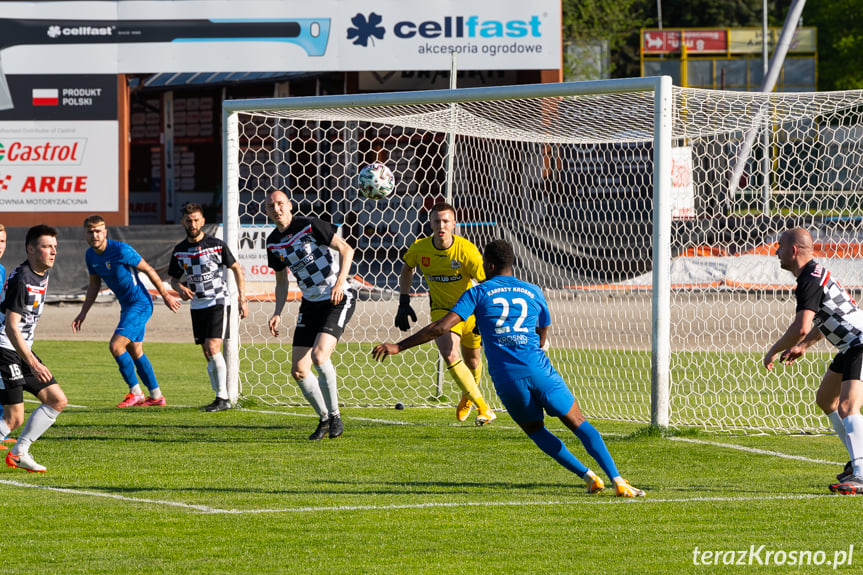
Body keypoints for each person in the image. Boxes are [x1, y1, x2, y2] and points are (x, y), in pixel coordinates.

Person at [374, 239, 645, 497]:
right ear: (511, 264)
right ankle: (618, 481)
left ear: (488, 266)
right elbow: (544, 326)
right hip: (540, 370)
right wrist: (536, 347)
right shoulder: (533, 290)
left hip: (508, 379)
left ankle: (588, 476)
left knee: (536, 430)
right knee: (578, 422)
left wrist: (399, 345)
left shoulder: (478, 292)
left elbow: (441, 327)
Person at [764, 227, 863, 495]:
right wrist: (803, 347)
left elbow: (802, 326)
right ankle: (858, 465)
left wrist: (773, 350)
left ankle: (861, 474)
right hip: (851, 344)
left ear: (793, 250)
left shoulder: (809, 280)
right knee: (825, 399)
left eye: (780, 247)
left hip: (860, 342)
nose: (776, 252)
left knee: (847, 406)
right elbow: (825, 319)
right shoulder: (814, 274)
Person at [265, 190, 355, 440]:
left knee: (318, 356)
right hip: (310, 303)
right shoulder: (272, 242)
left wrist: (339, 284)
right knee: (299, 370)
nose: (277, 209)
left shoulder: (310, 225)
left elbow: (346, 250)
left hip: (338, 297)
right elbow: (281, 280)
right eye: (271, 206)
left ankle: (336, 416)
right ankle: (325, 418)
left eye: (281, 203)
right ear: (267, 211)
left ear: (290, 205)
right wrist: (277, 311)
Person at [395, 202, 495, 425]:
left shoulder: (467, 251)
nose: (441, 225)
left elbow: (486, 284)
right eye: (437, 221)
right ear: (430, 223)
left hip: (469, 312)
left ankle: (468, 398)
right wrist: (403, 300)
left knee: (473, 361)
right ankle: (483, 407)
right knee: (450, 354)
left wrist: (484, 315)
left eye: (445, 221)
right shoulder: (420, 248)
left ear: (453, 224)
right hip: (442, 312)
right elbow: (407, 267)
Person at [72, 215, 182, 407]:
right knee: (135, 350)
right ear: (85, 234)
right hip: (127, 307)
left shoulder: (121, 250)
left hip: (140, 303)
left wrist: (165, 295)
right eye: (90, 232)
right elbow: (93, 285)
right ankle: (156, 396)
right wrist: (83, 313)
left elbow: (148, 269)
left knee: (116, 346)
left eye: (98, 231)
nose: (94, 235)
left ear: (105, 232)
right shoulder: (90, 255)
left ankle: (136, 392)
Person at [0, 225, 69, 473]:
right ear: (30, 249)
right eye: (46, 247)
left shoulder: (41, 273)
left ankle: (19, 452)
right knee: (14, 417)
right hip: (5, 348)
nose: (53, 252)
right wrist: (31, 361)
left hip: (20, 349)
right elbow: (10, 327)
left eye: (54, 247)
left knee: (57, 400)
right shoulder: (23, 279)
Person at [168, 203, 248, 412]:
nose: (192, 224)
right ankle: (218, 395)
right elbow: (173, 279)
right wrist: (180, 288)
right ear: (182, 222)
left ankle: (223, 398)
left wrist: (242, 298)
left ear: (203, 221)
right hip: (197, 304)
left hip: (217, 301)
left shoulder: (216, 245)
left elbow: (236, 268)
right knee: (206, 351)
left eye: (196, 220)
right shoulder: (180, 250)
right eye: (188, 220)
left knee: (213, 347)